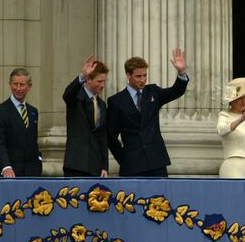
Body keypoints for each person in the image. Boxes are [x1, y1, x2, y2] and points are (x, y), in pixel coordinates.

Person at [106, 48, 189, 177]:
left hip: (156, 162)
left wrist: (181, 72)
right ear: (128, 75)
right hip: (132, 164)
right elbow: (111, 137)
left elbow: (175, 91)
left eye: (145, 75)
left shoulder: (153, 92)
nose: (143, 80)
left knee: (161, 197)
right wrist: (125, 159)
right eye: (138, 76)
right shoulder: (116, 101)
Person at [0, 68, 42, 177]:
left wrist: (39, 160)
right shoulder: (0, 111)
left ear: (29, 86)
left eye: (22, 84)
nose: (18, 88)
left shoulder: (33, 112)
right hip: (8, 174)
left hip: (30, 174)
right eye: (15, 84)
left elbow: (32, 142)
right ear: (10, 84)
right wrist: (6, 167)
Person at [62, 55, 109, 177]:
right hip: (76, 164)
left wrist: (105, 166)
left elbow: (102, 136)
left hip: (95, 166)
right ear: (88, 80)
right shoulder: (76, 98)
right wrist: (82, 75)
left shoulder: (102, 105)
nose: (103, 85)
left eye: (104, 81)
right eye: (99, 81)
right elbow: (67, 94)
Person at [216, 77, 245, 178]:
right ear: (231, 100)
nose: (244, 101)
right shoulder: (224, 115)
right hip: (232, 167)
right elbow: (221, 130)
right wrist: (241, 119)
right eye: (240, 98)